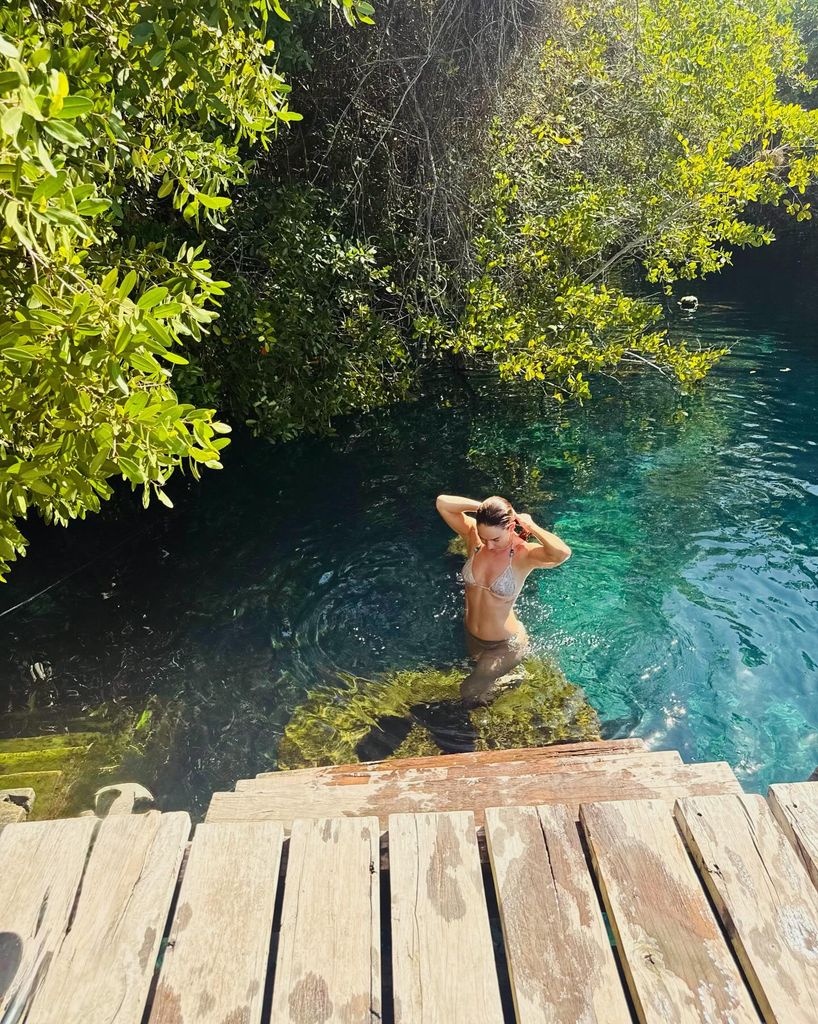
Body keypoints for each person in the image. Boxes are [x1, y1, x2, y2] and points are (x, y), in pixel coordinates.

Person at [435, 493, 572, 706]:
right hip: (473, 637)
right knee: (481, 689)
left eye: (495, 539)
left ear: (510, 527)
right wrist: (484, 508)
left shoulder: (522, 554)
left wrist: (530, 525)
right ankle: (513, 679)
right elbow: (443, 503)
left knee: (469, 690)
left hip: (504, 645)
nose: (488, 545)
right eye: (485, 537)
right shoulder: (475, 537)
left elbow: (562, 553)